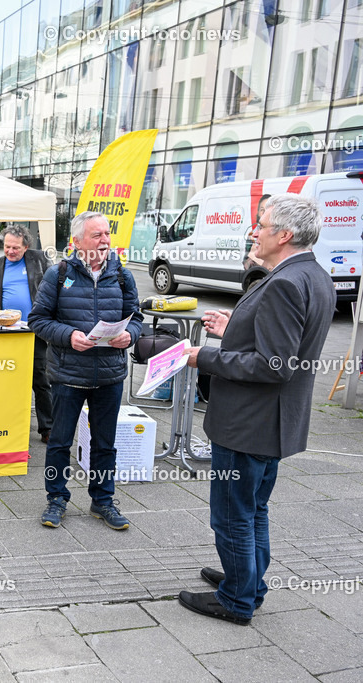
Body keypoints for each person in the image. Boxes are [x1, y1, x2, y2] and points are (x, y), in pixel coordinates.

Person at [180, 194, 336, 626]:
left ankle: (236, 599)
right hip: (272, 423)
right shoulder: (312, 274)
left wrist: (203, 357)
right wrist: (235, 328)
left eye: (262, 224)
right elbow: (285, 343)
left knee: (232, 515)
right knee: (253, 510)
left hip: (249, 424)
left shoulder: (286, 282)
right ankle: (247, 580)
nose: (254, 230)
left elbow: (274, 365)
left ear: (283, 235)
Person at [29, 212, 142, 530]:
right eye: (97, 235)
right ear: (77, 242)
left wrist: (129, 335)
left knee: (105, 443)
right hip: (69, 374)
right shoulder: (58, 273)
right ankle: (56, 499)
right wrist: (69, 336)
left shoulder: (122, 275)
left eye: (107, 234)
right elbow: (38, 320)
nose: (105, 240)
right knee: (60, 442)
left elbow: (136, 318)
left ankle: (103, 501)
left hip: (110, 374)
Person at [0, 226, 54, 442]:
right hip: (7, 331)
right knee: (7, 378)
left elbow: (55, 289)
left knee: (40, 378)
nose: (10, 251)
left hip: (36, 330)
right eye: (7, 246)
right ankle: (6, 424)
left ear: (26, 247)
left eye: (15, 247)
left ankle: (47, 428)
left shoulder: (40, 261)